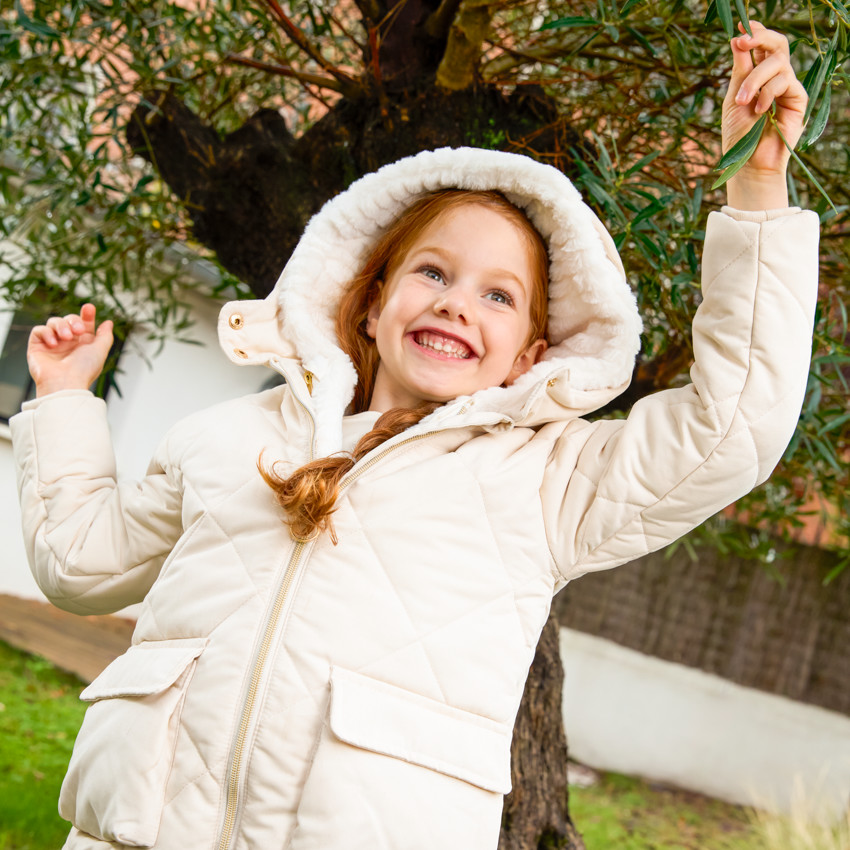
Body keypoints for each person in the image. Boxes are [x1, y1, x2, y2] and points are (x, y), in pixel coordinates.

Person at [12, 24, 818, 850]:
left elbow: (734, 424)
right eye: (433, 272)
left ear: (530, 358)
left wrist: (757, 185)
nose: (458, 303)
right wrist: (67, 401)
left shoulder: (546, 483)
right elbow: (81, 565)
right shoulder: (226, 437)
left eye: (500, 296)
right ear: (369, 301)